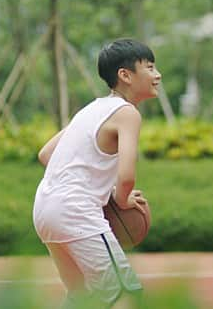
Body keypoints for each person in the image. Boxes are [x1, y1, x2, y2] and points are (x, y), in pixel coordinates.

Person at [33, 38, 161, 307]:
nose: (157, 75)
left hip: (45, 210)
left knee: (83, 297)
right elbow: (126, 177)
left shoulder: (91, 109)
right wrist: (122, 200)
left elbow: (46, 154)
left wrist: (98, 187)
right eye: (149, 68)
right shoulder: (127, 113)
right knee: (126, 296)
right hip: (76, 212)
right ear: (125, 75)